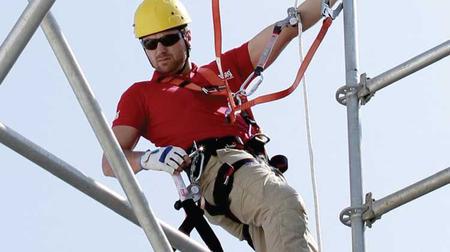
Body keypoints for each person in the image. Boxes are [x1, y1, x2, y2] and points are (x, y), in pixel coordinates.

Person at [103, 0, 334, 251]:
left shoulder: (224, 70)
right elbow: (110, 162)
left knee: (283, 229)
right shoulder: (141, 95)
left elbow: (288, 27)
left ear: (187, 37)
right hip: (216, 169)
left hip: (249, 167)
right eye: (150, 43)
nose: (160, 49)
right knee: (282, 203)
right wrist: (150, 158)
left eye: (168, 40)